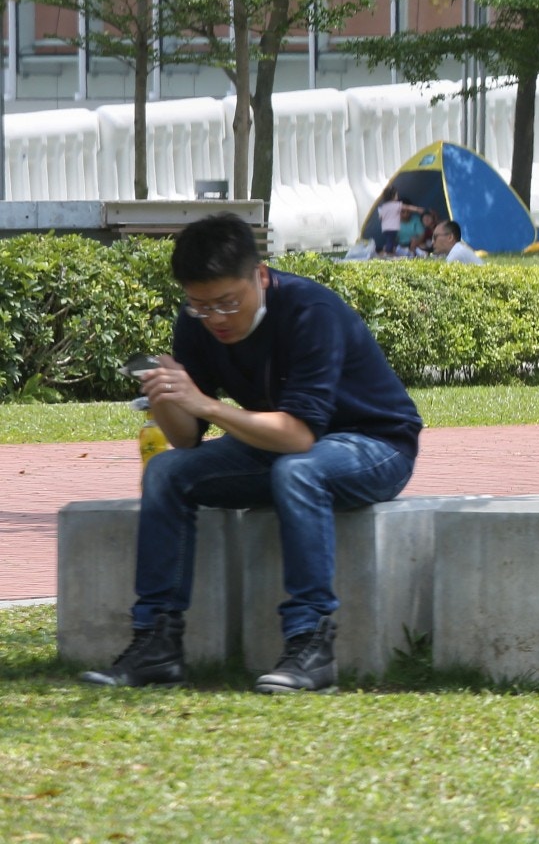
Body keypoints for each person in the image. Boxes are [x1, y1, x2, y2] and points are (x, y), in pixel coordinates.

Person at [79, 213, 421, 693]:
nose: (215, 318)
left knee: (298, 472)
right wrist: (167, 398)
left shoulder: (309, 311)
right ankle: (157, 644)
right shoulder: (194, 321)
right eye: (199, 306)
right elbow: (187, 438)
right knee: (167, 472)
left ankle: (311, 646)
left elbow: (301, 436)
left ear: (260, 276)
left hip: (373, 444)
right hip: (279, 447)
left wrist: (204, 402)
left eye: (227, 302)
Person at [374, 187, 404, 256]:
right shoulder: (396, 205)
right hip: (392, 227)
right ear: (393, 196)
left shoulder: (383, 207)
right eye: (396, 195)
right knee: (390, 240)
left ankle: (390, 251)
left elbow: (380, 218)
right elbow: (407, 207)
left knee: (390, 240)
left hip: (385, 228)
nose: (397, 196)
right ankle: (388, 252)